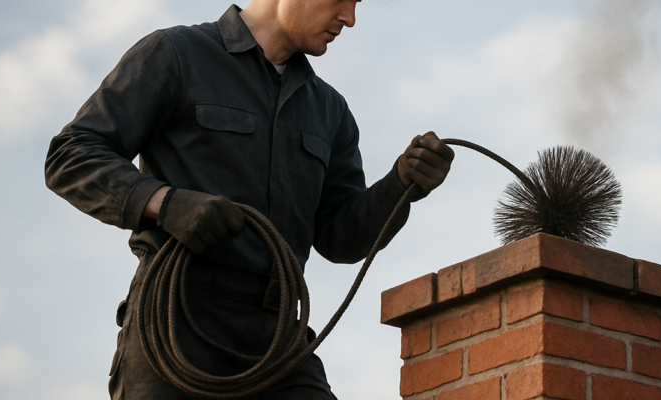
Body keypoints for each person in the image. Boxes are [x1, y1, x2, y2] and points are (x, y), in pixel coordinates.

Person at [44, 0, 454, 398]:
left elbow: (340, 238)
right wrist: (165, 203)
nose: (349, 18)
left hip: (277, 337)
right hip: (174, 322)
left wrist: (400, 185)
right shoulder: (174, 53)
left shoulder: (331, 110)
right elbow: (71, 155)